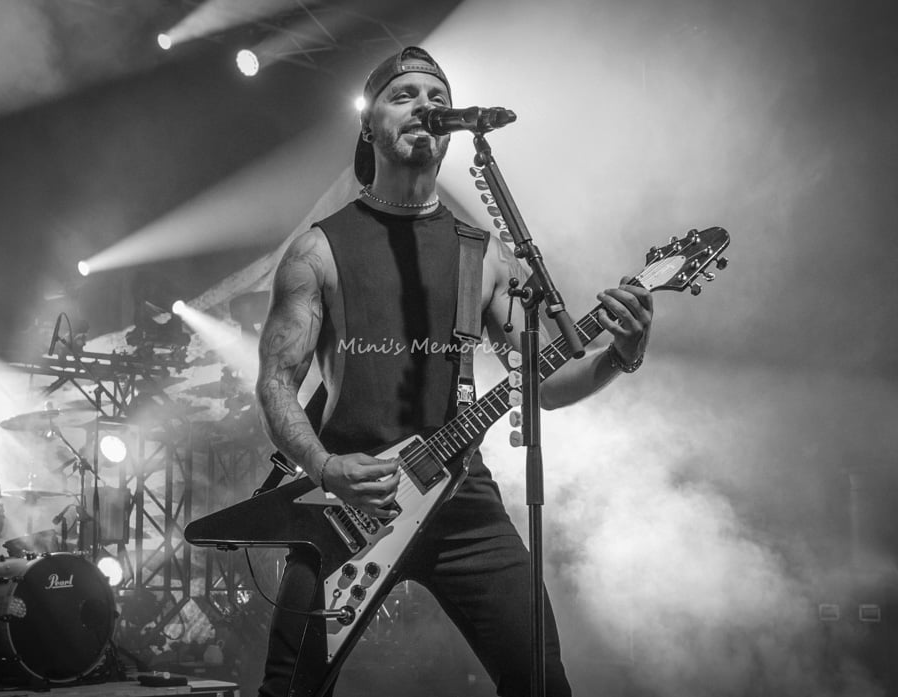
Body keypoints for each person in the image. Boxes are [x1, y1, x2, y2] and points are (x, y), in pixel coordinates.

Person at [253, 46, 653, 696]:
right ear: (368, 124)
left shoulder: (483, 255)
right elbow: (276, 384)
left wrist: (618, 356)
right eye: (404, 95)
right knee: (289, 689)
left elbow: (544, 387)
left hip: (462, 499)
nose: (426, 106)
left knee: (542, 681)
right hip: (346, 499)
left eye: (438, 97)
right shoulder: (318, 249)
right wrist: (325, 468)